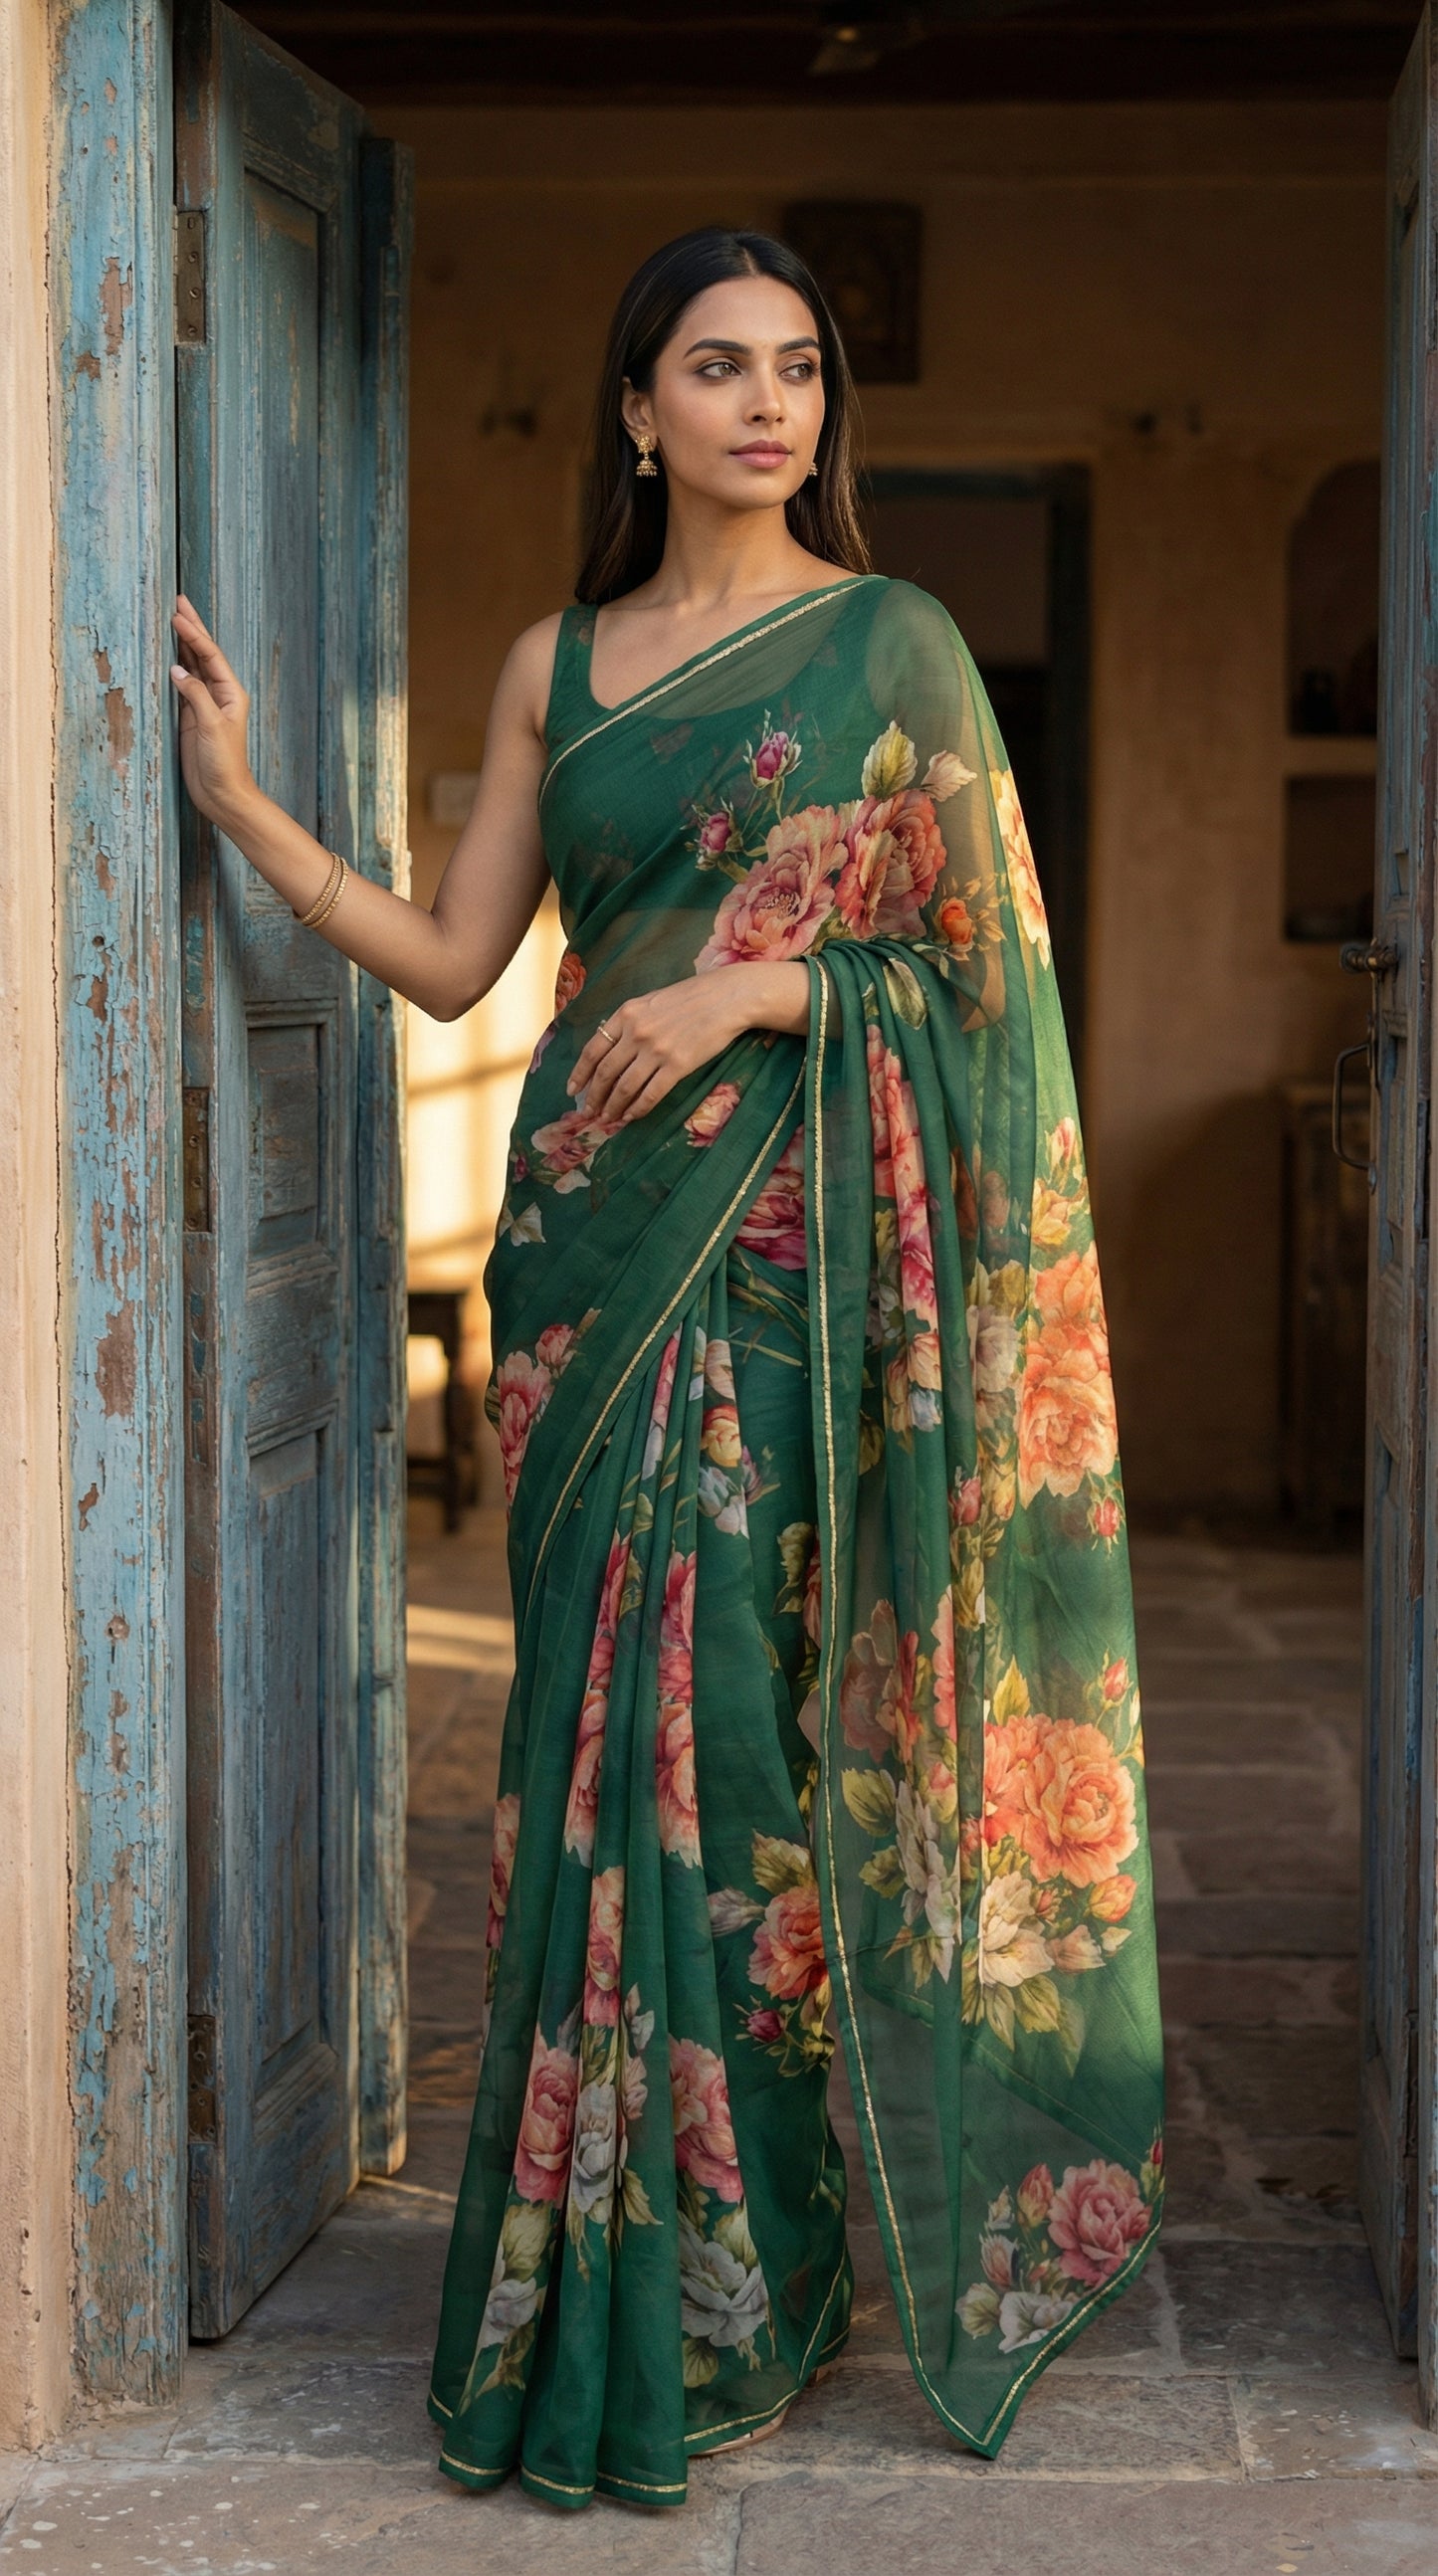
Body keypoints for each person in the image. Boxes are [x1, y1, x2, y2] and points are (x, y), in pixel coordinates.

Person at [170, 223, 1163, 2516]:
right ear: (639, 408)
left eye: (798, 369)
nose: (767, 404)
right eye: (718, 367)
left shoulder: (896, 646)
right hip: (590, 1273)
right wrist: (241, 810)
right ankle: (591, 2266)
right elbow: (445, 962)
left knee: (746, 1752)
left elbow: (986, 986)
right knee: (584, 1760)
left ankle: (760, 2267)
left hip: (791, 1273)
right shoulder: (559, 667)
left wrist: (757, 991)